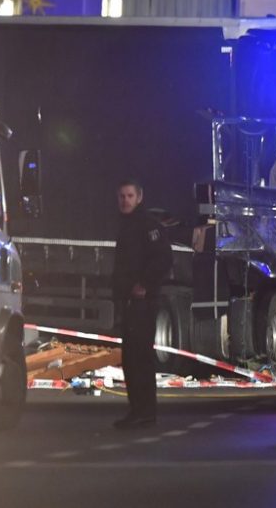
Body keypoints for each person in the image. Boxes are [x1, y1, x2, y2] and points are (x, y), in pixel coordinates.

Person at [112, 178, 173, 429]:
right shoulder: (126, 225)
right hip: (129, 301)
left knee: (140, 358)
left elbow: (163, 258)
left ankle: (145, 411)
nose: (125, 201)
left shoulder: (148, 225)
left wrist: (145, 285)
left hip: (143, 302)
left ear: (139, 197)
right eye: (122, 196)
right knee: (129, 359)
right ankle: (137, 409)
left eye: (129, 196)